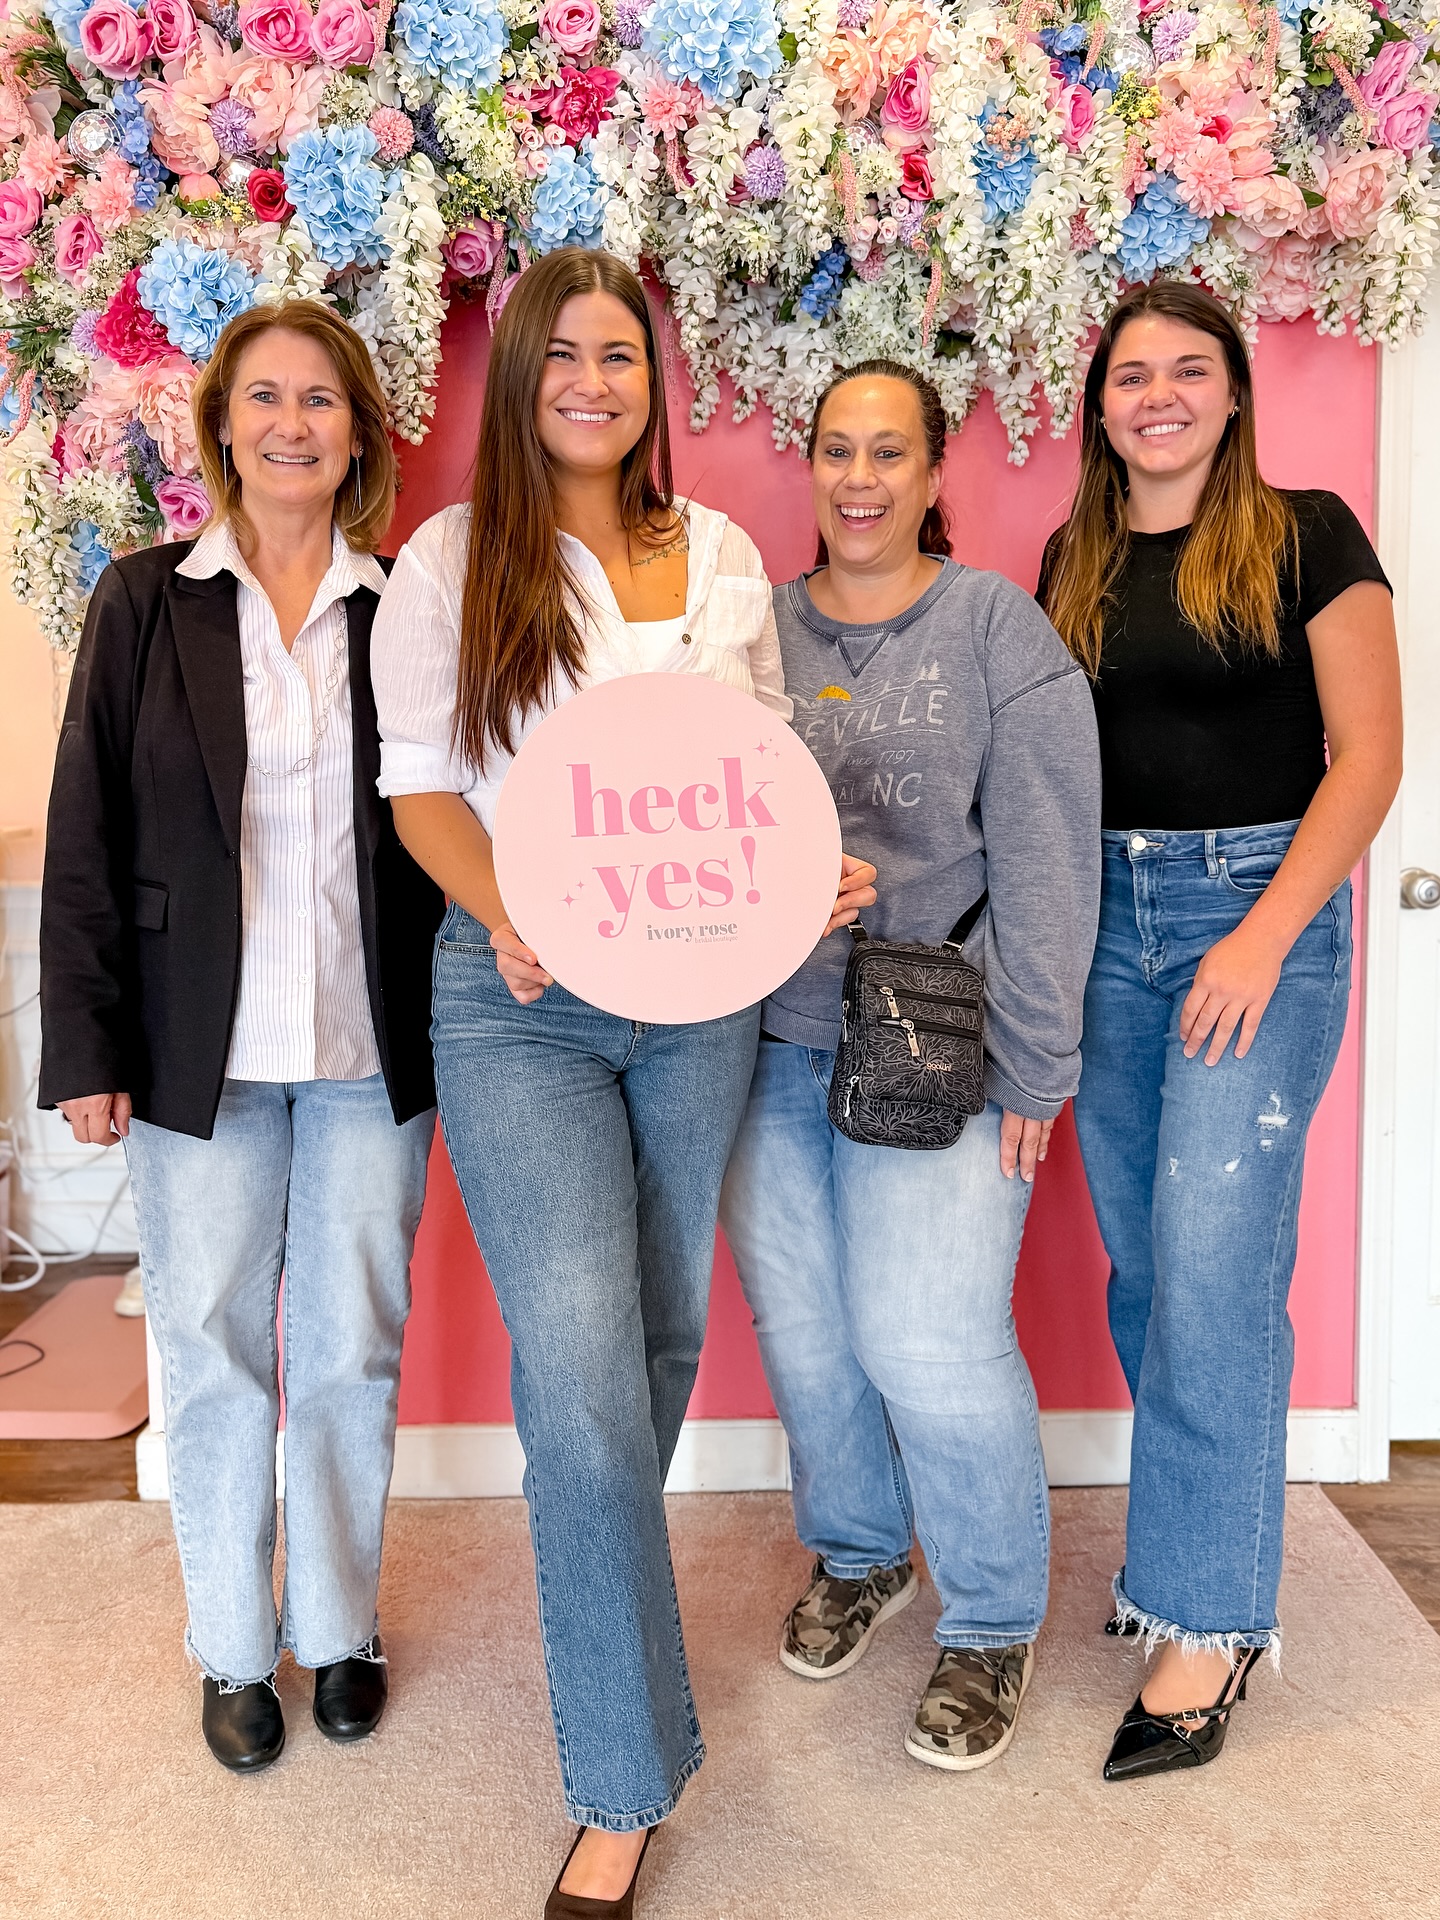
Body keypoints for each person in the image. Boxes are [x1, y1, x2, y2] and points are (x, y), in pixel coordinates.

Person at [370, 246, 872, 1917]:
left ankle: (608, 1626)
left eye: (623, 356)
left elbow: (755, 779)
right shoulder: (451, 561)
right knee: (581, 1376)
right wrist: (508, 911)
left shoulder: (718, 555)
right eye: (565, 353)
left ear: (654, 387)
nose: (596, 379)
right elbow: (426, 794)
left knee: (653, 1341)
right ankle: (621, 1781)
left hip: (702, 1001)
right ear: (520, 376)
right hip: (517, 1002)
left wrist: (813, 875)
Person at [39, 301, 444, 1772]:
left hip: (367, 1049)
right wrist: (84, 1046)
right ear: (222, 422)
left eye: (321, 400)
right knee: (210, 1352)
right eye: (265, 398)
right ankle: (231, 1645)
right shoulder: (147, 600)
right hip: (191, 1055)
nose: (292, 424)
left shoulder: (404, 608)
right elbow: (88, 830)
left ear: (357, 434)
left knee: (352, 1351)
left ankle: (337, 1626)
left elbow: (453, 821)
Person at [1039, 281, 1401, 1779]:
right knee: (1145, 1260)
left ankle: (1205, 1620)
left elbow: (1370, 757)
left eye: (1192, 370)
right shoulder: (1073, 554)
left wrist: (1258, 934)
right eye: (1134, 374)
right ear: (1102, 404)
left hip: (1258, 906)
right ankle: (1202, 1553)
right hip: (1107, 922)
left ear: (1236, 394)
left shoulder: (1311, 532)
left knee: (1212, 1260)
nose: (1162, 395)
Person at [720, 360, 1101, 1773]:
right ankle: (865, 1551)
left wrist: (1037, 1072)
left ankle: (991, 1618)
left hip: (939, 1038)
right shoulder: (750, 631)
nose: (861, 478)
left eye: (891, 453)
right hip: (762, 1043)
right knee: (813, 1340)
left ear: (938, 473)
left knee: (927, 1341)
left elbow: (1053, 864)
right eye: (836, 450)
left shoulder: (996, 628)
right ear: (808, 467)